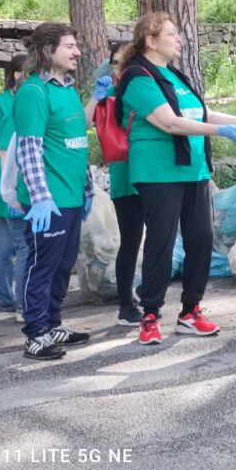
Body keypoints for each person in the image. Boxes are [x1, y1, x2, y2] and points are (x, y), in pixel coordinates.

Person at [113, 12, 236, 346]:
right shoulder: (138, 77)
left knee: (200, 238)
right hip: (159, 174)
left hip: (194, 170)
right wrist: (221, 132)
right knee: (161, 242)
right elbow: (169, 122)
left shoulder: (174, 76)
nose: (179, 38)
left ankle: (190, 311)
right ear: (150, 41)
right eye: (172, 34)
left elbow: (199, 112)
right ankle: (151, 314)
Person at [14, 23, 94, 361]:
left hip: (72, 195)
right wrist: (40, 196)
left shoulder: (68, 89)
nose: (77, 52)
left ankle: (52, 322)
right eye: (69, 46)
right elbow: (29, 149)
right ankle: (35, 333)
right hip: (49, 199)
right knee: (42, 266)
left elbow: (76, 142)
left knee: (63, 265)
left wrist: (87, 187)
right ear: (48, 51)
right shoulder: (34, 92)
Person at [90, 41, 145, 327]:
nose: (119, 69)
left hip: (155, 172)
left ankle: (148, 297)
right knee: (131, 240)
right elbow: (83, 122)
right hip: (126, 175)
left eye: (124, 62)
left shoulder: (147, 87)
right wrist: (97, 95)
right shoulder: (108, 92)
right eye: (114, 63)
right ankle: (127, 304)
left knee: (160, 239)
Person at [0, 55, 29, 321]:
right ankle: (22, 304)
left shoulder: (1, 103)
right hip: (11, 182)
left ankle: (2, 302)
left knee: (3, 246)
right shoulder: (15, 104)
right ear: (16, 75)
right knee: (21, 246)